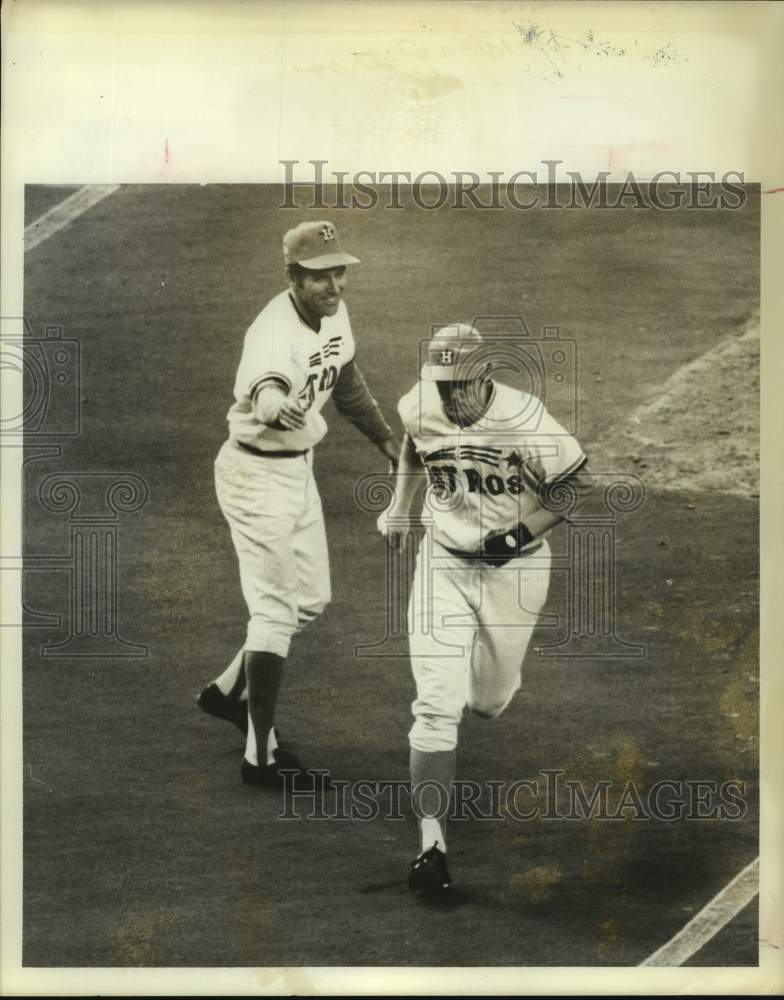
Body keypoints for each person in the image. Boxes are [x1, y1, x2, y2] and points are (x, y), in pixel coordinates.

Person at [377, 323, 589, 892]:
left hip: (514, 573)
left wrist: (516, 537)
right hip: (442, 563)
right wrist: (401, 505)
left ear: (485, 376)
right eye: (440, 386)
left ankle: (480, 689)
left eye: (457, 387)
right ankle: (432, 845)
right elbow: (410, 441)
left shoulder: (524, 417)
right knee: (435, 704)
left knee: (489, 701)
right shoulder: (421, 405)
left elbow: (575, 485)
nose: (447, 398)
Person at [199, 220, 399, 790]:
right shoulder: (271, 333)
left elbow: (346, 373)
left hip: (296, 471)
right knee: (273, 613)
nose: (334, 285)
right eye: (320, 276)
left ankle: (225, 692)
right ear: (293, 276)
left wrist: (383, 437)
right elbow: (265, 387)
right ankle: (259, 757)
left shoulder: (334, 313)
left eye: (339, 271)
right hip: (254, 474)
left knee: (310, 600)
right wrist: (273, 405)